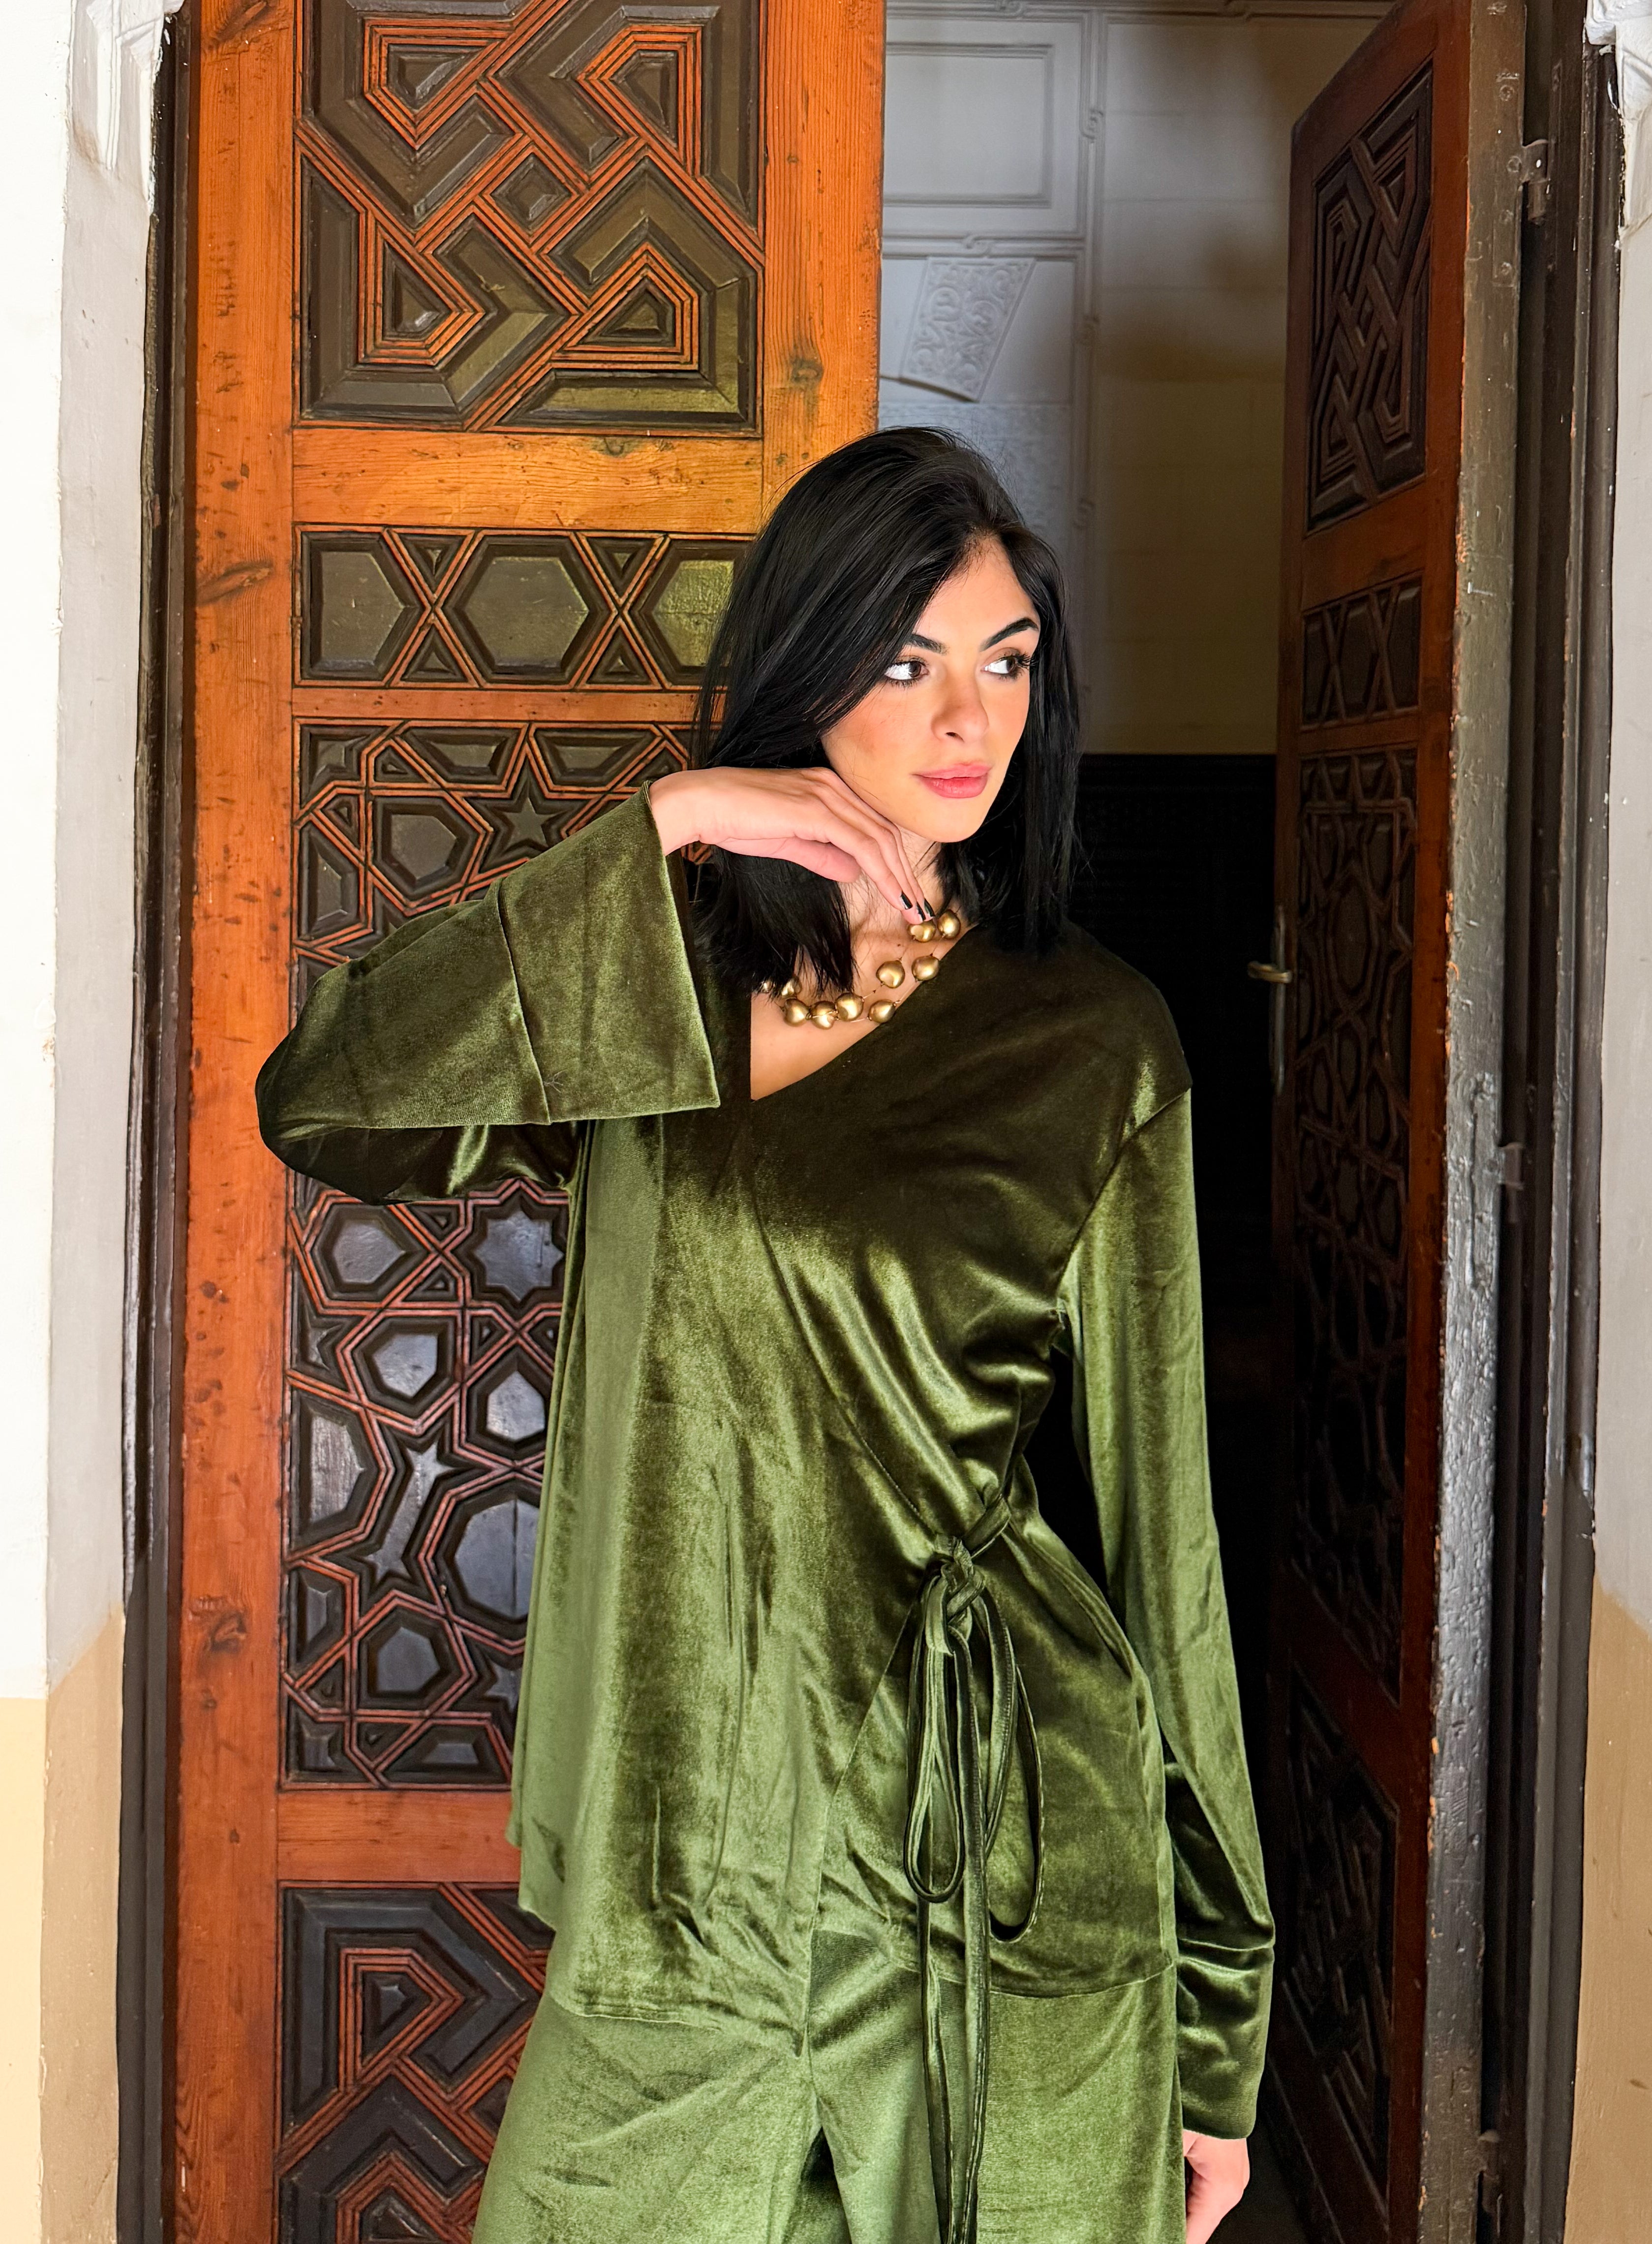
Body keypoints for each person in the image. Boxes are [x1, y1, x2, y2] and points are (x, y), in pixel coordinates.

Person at [256, 428, 1273, 2244]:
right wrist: (660, 829)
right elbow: (331, 1105)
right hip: (688, 1877)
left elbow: (1162, 1549)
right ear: (810, 669)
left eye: (1008, 660)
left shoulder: (1096, 1044)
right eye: (908, 661)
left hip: (1001, 1868)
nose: (970, 719)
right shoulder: (659, 970)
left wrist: (1218, 2034)